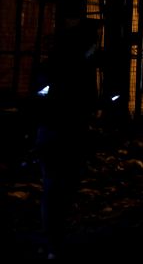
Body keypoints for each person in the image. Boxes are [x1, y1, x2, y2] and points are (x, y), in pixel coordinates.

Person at [35, 18, 101, 259]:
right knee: (61, 186)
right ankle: (54, 240)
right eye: (94, 41)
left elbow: (41, 97)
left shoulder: (53, 64)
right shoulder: (80, 68)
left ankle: (52, 239)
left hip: (52, 130)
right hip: (67, 132)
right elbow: (87, 102)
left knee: (54, 186)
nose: (97, 45)